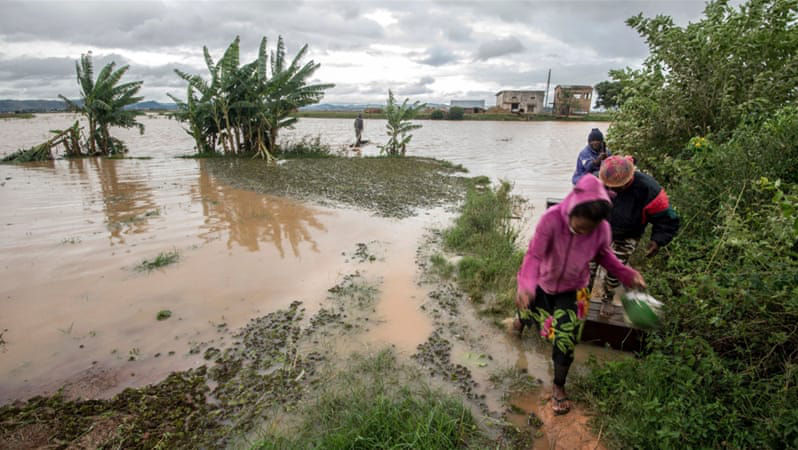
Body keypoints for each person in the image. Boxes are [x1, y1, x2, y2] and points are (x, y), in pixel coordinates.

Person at [514, 174, 646, 415]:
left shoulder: (602, 230)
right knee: (527, 308)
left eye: (588, 229)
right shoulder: (551, 220)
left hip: (573, 289)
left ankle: (558, 386)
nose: (582, 232)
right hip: (542, 281)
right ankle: (519, 323)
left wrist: (627, 274)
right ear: (571, 209)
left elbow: (604, 255)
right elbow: (533, 256)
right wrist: (526, 285)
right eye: (579, 226)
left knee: (566, 338)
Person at [594, 155, 680, 311]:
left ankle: (607, 298)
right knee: (587, 267)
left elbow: (667, 218)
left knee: (615, 269)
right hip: (598, 229)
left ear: (629, 179)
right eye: (609, 187)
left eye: (618, 187)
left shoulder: (649, 189)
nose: (613, 190)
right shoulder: (597, 182)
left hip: (628, 232)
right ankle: (580, 299)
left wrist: (658, 240)